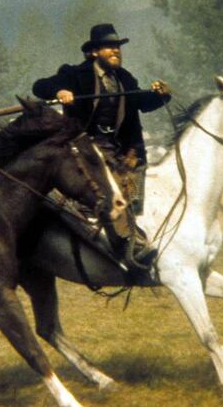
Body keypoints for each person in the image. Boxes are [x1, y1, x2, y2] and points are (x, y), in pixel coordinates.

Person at [32, 23, 171, 267]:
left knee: (137, 185)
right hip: (84, 150)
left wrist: (161, 94)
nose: (116, 51)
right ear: (94, 52)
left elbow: (143, 102)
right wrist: (60, 89)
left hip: (121, 150)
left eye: (117, 47)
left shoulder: (125, 79)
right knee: (113, 190)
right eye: (109, 47)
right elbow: (40, 86)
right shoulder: (74, 74)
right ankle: (129, 244)